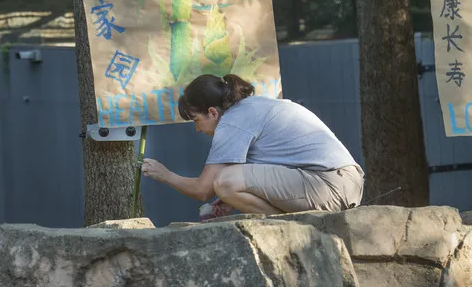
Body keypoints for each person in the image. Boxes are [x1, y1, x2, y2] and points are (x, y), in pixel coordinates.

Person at [141, 73, 364, 217]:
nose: (197, 129)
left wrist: (165, 175)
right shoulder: (251, 108)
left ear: (212, 112)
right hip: (343, 183)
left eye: (196, 120)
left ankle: (288, 228)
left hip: (329, 185)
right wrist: (230, 200)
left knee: (225, 181)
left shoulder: (233, 121)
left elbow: (203, 189)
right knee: (227, 185)